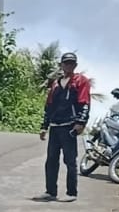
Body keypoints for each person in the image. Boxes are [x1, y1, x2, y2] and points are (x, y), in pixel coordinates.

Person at [37, 52, 90, 203]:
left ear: (75, 65)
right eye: (66, 63)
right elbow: (49, 106)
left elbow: (84, 103)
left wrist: (81, 122)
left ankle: (71, 192)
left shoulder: (80, 81)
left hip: (69, 126)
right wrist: (44, 126)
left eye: (71, 63)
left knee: (70, 161)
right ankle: (50, 191)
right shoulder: (55, 84)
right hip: (55, 126)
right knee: (51, 160)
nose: (68, 65)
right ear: (61, 65)